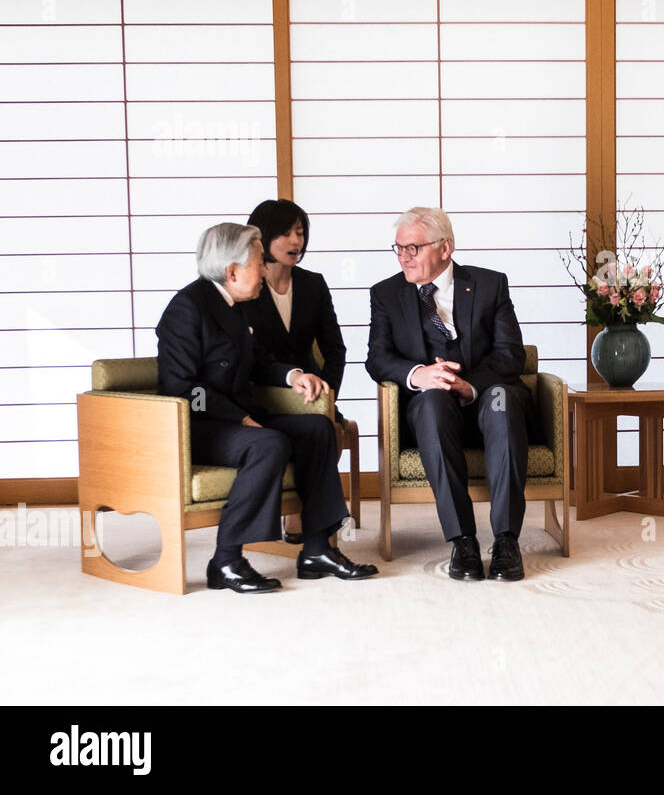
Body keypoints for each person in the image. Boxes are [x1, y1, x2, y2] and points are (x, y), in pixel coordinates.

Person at [155, 222, 378, 593]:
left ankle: (317, 549)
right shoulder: (187, 308)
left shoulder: (237, 305)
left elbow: (258, 361)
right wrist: (239, 418)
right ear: (232, 271)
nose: (264, 271)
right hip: (197, 426)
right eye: (259, 262)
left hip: (241, 418)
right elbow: (182, 389)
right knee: (268, 443)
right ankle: (226, 560)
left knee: (318, 429)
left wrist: (293, 375)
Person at [365, 207, 533, 582]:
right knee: (431, 401)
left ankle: (506, 541)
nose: (403, 257)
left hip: (488, 397)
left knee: (502, 402)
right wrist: (419, 374)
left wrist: (469, 384)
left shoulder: (490, 285)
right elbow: (377, 358)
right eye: (398, 248)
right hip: (432, 408)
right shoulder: (387, 294)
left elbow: (511, 355)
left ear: (445, 248)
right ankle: (463, 540)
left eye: (413, 248)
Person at [240, 199, 348, 543]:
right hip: (263, 393)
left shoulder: (313, 284)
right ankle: (296, 511)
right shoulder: (244, 287)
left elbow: (335, 348)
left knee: (330, 427)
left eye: (300, 233)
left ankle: (304, 512)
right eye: (285, 233)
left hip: (311, 393)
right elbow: (250, 356)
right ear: (263, 236)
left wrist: (327, 392)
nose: (295, 242)